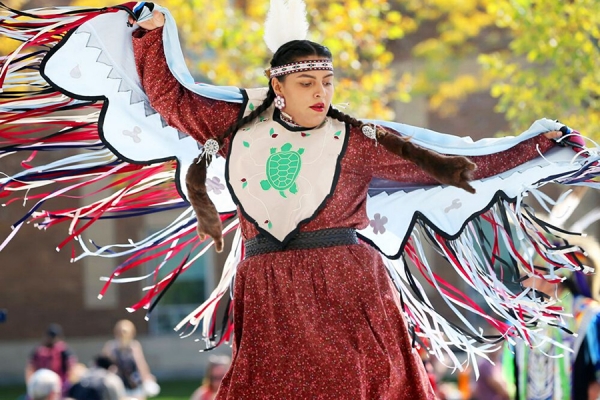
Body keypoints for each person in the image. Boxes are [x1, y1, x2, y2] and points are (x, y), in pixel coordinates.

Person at [0, 1, 595, 399]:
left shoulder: (359, 140)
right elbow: (171, 98)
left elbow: (455, 167)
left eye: (327, 82)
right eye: (307, 83)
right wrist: (151, 33)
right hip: (270, 281)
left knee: (364, 383)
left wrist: (534, 148)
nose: (320, 93)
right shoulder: (235, 126)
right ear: (277, 85)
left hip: (346, 280)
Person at [502, 234, 600, 400]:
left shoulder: (586, 313)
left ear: (551, 276)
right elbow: (511, 371)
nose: (523, 280)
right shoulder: (522, 316)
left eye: (529, 272)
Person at [103, 320, 155, 400]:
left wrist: (146, 377)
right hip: (119, 383)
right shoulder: (111, 347)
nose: (123, 335)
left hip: (134, 382)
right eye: (121, 332)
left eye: (125, 332)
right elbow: (104, 365)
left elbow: (140, 364)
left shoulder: (134, 346)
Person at [26, 324, 77, 396]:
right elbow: (30, 368)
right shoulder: (40, 351)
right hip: (50, 385)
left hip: (54, 385)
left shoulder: (62, 350)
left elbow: (72, 368)